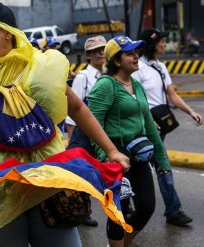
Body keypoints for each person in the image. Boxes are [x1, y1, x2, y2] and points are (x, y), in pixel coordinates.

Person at [0, 2, 128, 246]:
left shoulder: (40, 68)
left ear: (7, 31)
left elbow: (77, 108)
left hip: (49, 188)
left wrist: (112, 150)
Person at [87, 35, 169, 247]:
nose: (136, 56)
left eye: (137, 52)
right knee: (118, 212)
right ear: (116, 60)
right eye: (130, 53)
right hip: (114, 155)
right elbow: (93, 125)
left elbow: (149, 125)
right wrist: (106, 156)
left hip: (139, 154)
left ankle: (124, 243)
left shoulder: (136, 85)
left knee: (147, 206)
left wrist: (162, 161)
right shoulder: (105, 85)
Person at [132, 28, 203, 227]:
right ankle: (173, 210)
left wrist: (191, 111)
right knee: (163, 167)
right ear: (152, 45)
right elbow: (134, 98)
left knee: (141, 166)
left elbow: (171, 94)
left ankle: (129, 201)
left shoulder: (161, 67)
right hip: (146, 125)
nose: (164, 44)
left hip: (160, 124)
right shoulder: (138, 68)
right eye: (161, 41)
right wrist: (146, 120)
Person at [65, 35, 107, 227]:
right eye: (96, 51)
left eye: (103, 49)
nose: (101, 53)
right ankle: (81, 211)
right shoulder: (83, 77)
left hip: (102, 133)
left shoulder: (107, 75)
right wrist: (73, 138)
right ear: (88, 55)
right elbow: (74, 110)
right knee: (82, 174)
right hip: (83, 135)